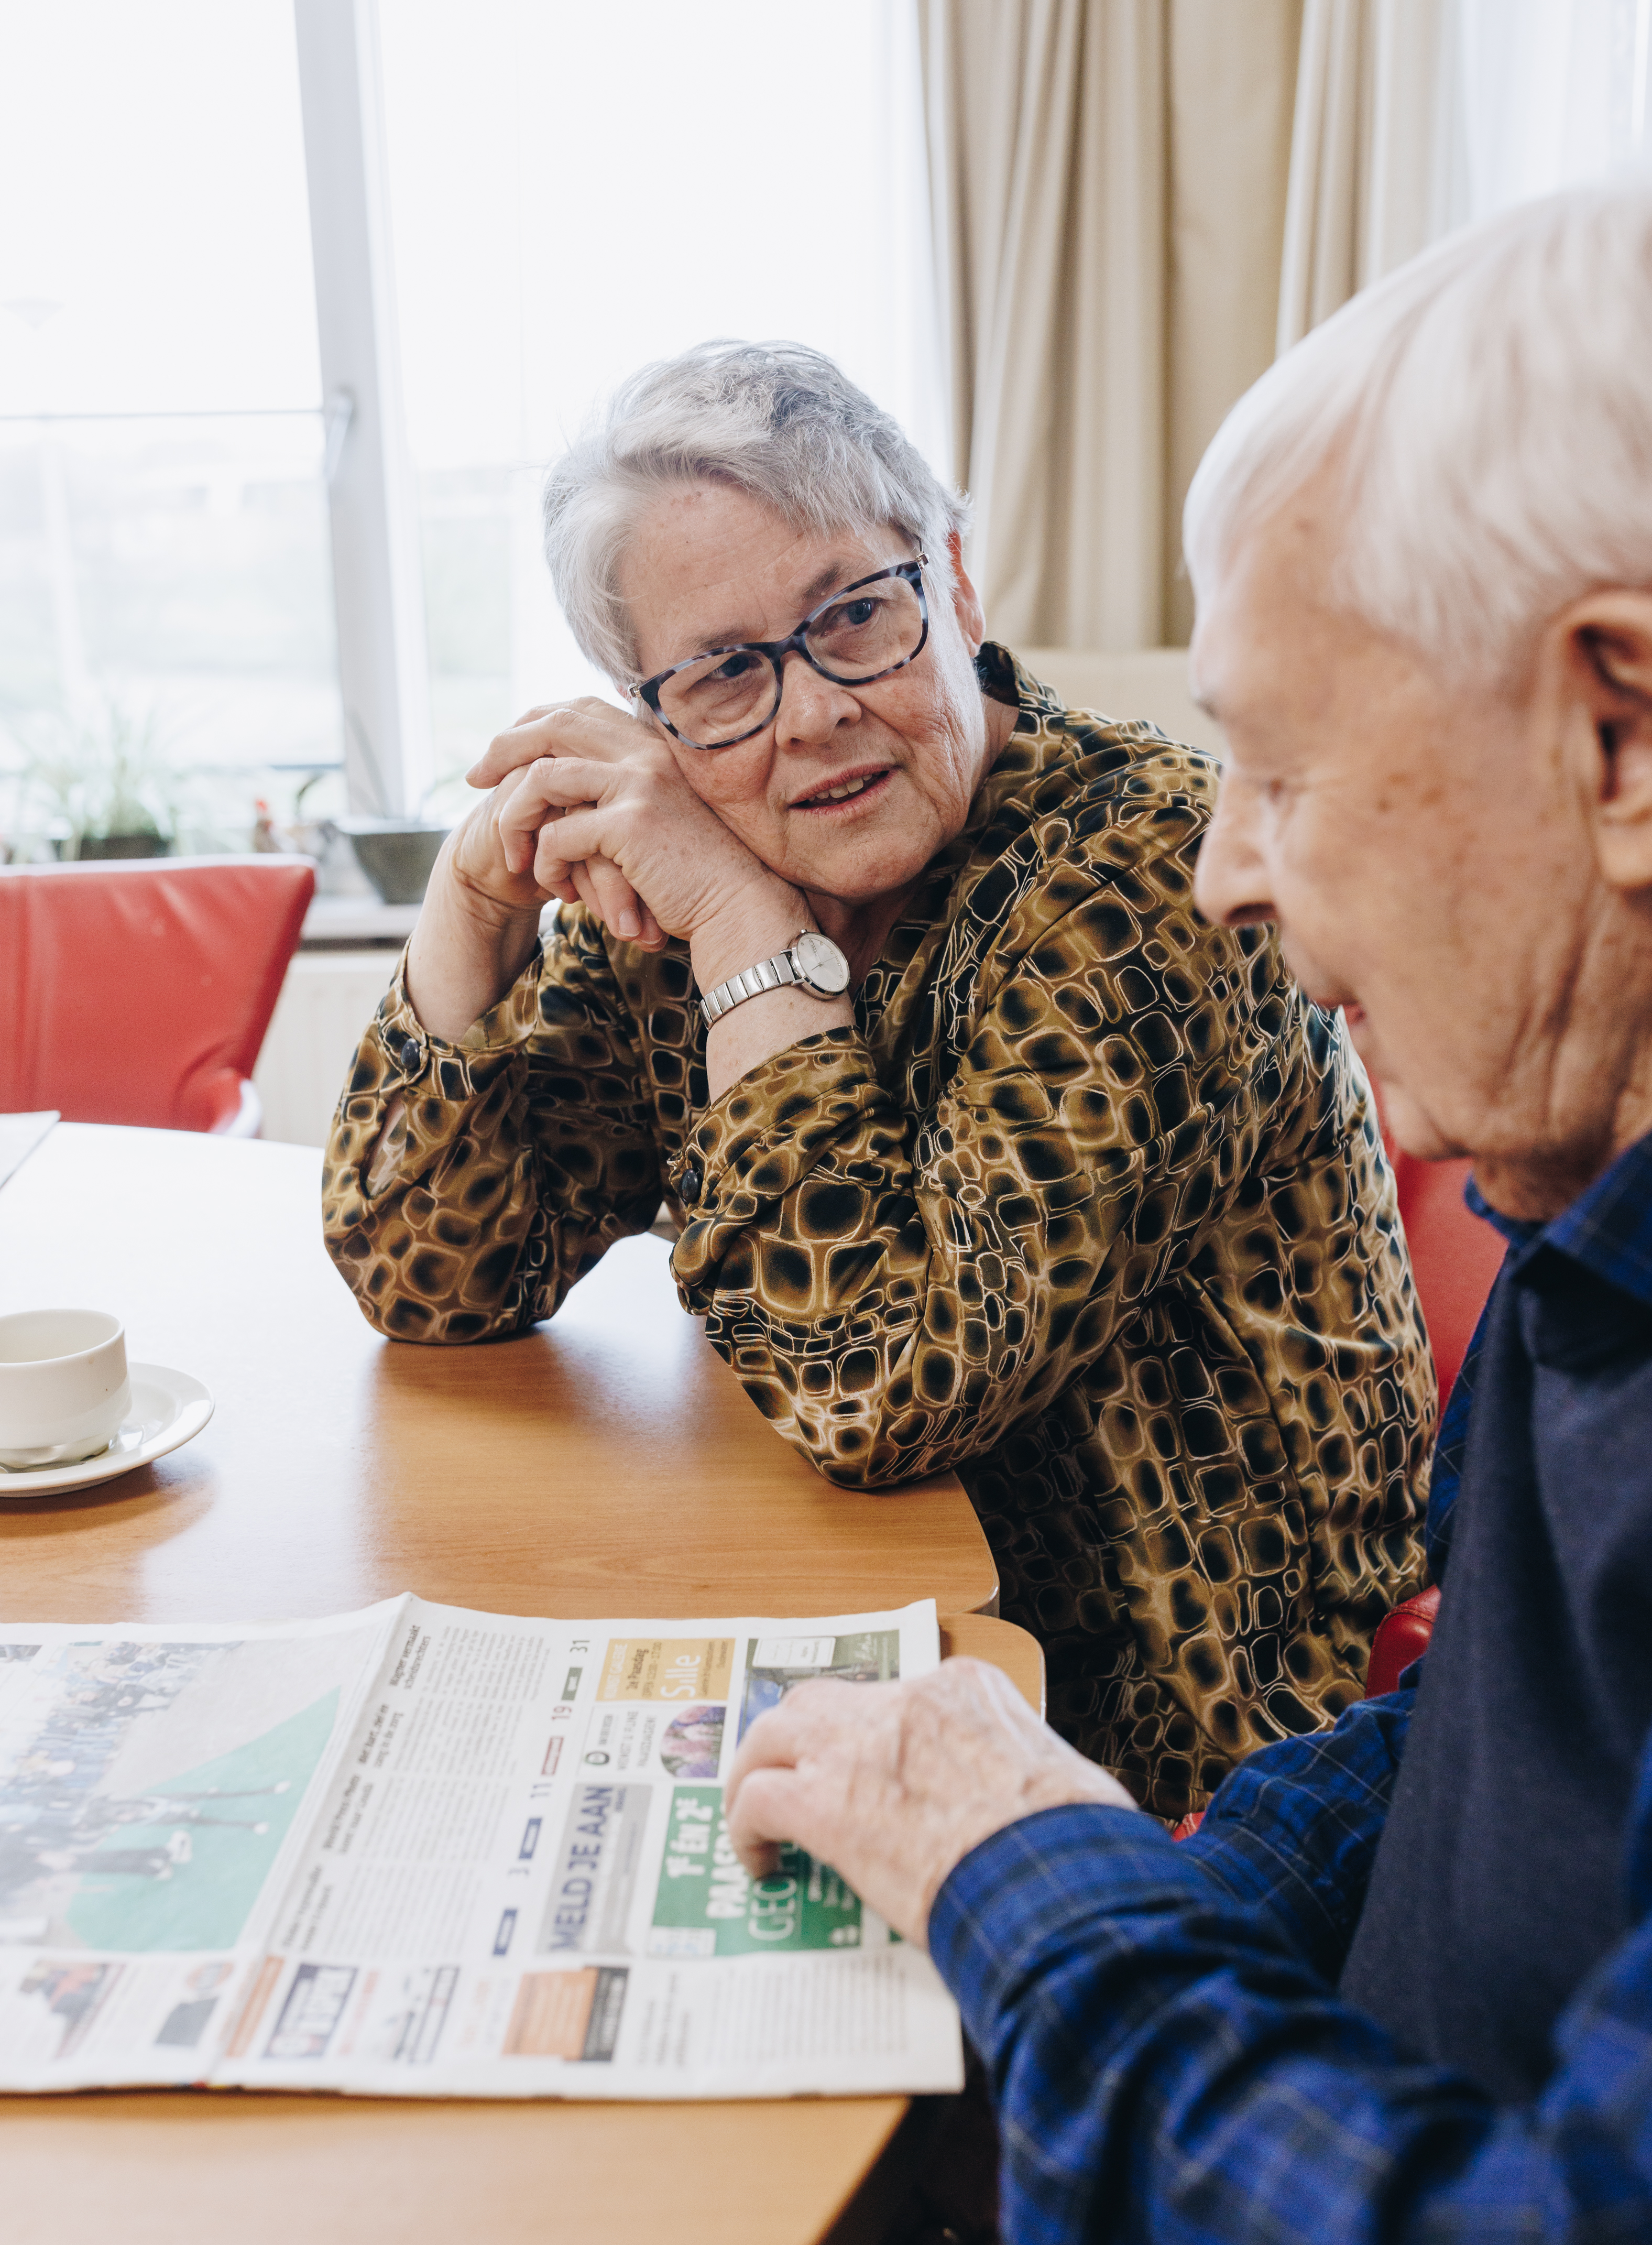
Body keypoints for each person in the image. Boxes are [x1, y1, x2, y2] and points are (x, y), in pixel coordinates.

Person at [726, 186, 1652, 2245]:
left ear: (1620, 737)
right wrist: (1133, 1950)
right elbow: (1495, 1749)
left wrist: (1048, 1911)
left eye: (1277, 767)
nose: (1228, 870)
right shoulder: (1595, 1215)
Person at [322, 341, 1434, 1812]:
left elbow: (885, 1380)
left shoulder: (1147, 876)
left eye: (854, 615)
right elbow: (427, 1276)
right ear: (644, 713)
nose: (811, 712)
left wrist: (747, 937)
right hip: (883, 1638)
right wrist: (472, 910)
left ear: (955, 589)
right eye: (723, 671)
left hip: (1203, 1746)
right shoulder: (683, 860)